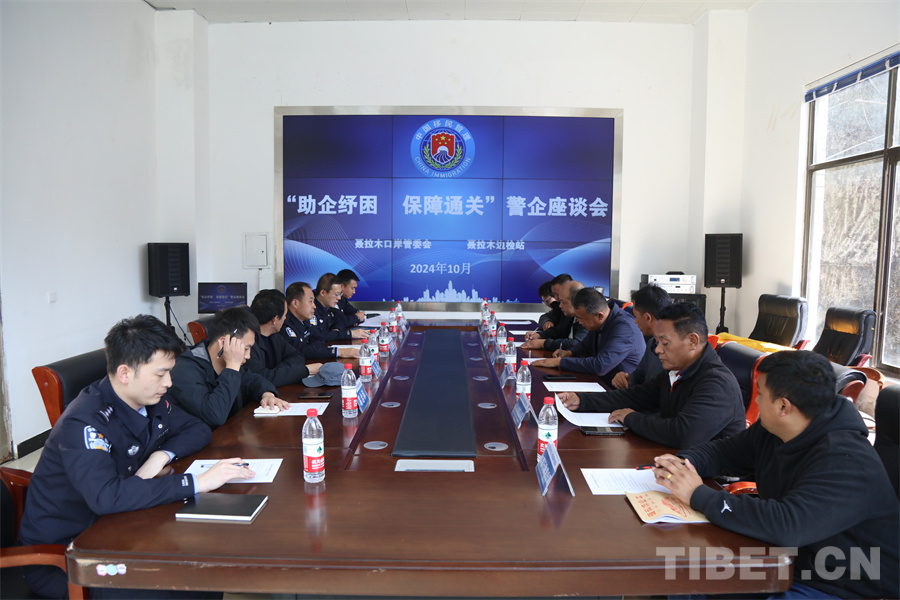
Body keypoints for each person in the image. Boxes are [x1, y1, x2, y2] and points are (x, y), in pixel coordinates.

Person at [19, 315, 253, 600]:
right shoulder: (84, 423)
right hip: (69, 556)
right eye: (160, 374)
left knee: (202, 566)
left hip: (122, 527)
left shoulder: (148, 400)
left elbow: (198, 428)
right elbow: (106, 497)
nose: (169, 382)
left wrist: (160, 456)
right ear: (125, 373)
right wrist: (195, 483)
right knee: (174, 584)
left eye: (170, 372)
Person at [653, 351, 899, 599]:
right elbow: (724, 452)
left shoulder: (846, 460)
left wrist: (697, 494)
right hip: (790, 558)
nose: (756, 400)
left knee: (692, 575)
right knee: (684, 575)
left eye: (760, 393)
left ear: (783, 406)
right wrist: (682, 464)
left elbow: (788, 524)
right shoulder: (776, 430)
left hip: (847, 581)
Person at [558, 301, 744, 448]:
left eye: (665, 343)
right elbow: (637, 396)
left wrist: (631, 418)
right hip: (673, 460)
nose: (658, 350)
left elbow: (683, 434)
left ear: (692, 341)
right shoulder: (677, 370)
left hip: (709, 479)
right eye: (657, 342)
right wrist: (582, 400)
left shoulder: (717, 383)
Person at [167, 307, 289, 428]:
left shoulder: (226, 364)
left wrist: (267, 394)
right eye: (246, 349)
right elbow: (214, 415)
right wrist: (232, 366)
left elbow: (254, 380)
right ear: (224, 343)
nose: (248, 356)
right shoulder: (184, 369)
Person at [531, 287, 645, 389]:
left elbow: (600, 366)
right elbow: (585, 345)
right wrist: (570, 352)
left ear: (599, 315)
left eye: (581, 318)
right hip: (601, 381)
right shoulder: (602, 319)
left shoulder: (624, 328)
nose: (579, 322)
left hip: (620, 388)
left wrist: (560, 362)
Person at [246, 288, 321, 386]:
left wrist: (276, 372)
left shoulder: (274, 335)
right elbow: (261, 378)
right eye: (285, 314)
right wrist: (306, 370)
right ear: (275, 319)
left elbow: (297, 356)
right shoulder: (247, 342)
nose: (285, 318)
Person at [610, 284, 672, 390]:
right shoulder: (652, 343)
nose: (635, 321)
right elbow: (639, 376)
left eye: (635, 316)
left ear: (648, 317)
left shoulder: (676, 351)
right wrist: (625, 378)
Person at [280, 281, 359, 359]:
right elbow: (300, 351)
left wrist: (312, 350)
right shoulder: (284, 324)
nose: (314, 306)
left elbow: (319, 338)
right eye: (310, 301)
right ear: (295, 303)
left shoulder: (305, 320)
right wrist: (337, 352)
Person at [521, 280, 587, 352]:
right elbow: (559, 331)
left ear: (575, 301)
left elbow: (576, 343)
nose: (560, 306)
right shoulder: (570, 315)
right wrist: (540, 335)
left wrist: (543, 343)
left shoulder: (587, 318)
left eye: (563, 302)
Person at [311, 273, 367, 342]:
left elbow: (340, 321)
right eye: (336, 294)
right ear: (323, 292)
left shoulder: (329, 306)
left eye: (340, 294)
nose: (339, 298)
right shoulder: (311, 310)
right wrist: (349, 334)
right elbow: (319, 336)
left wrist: (336, 330)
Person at [526, 273, 573, 341]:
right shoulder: (560, 309)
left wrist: (543, 343)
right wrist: (546, 324)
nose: (557, 298)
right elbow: (545, 317)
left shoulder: (576, 313)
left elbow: (573, 342)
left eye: (558, 294)